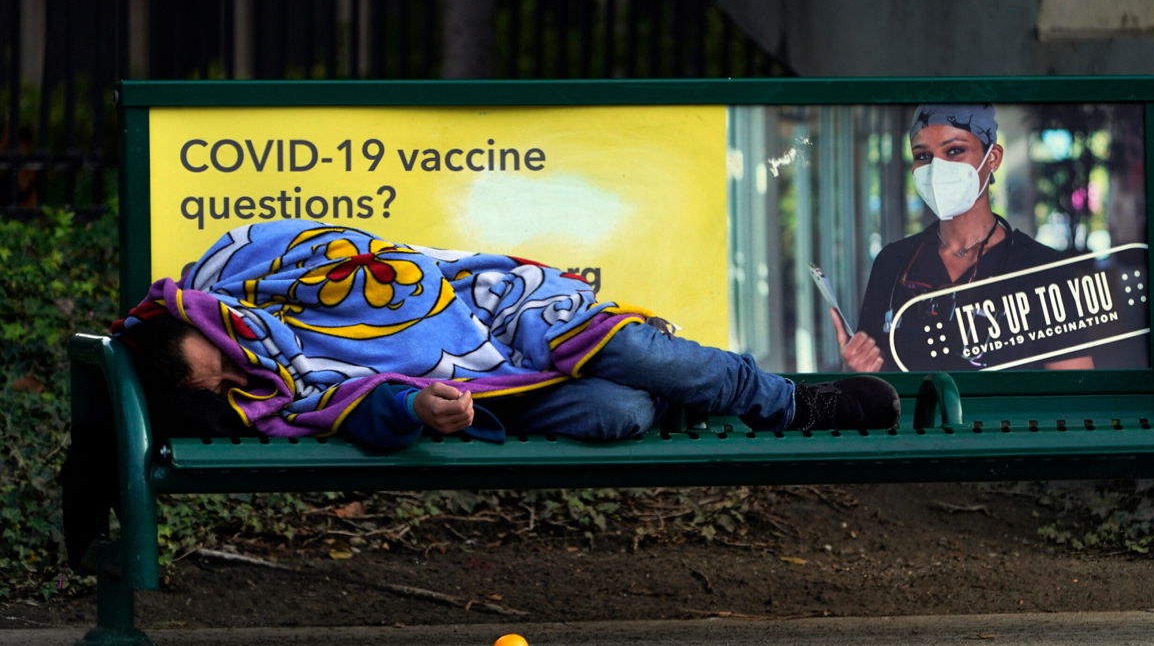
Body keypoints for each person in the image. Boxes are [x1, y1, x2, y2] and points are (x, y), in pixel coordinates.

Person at [115, 219, 900, 450]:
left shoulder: (240, 272)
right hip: (492, 392)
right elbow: (345, 400)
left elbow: (362, 260)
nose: (225, 374)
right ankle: (679, 391)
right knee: (618, 414)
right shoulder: (269, 388)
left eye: (202, 367)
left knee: (622, 348)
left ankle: (791, 405)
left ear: (184, 325)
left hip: (492, 310)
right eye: (215, 389)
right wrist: (418, 413)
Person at [834, 103, 1095, 373]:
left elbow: (1075, 393)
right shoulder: (893, 262)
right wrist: (856, 369)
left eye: (955, 150)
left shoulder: (1043, 269)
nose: (937, 169)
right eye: (922, 155)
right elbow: (872, 386)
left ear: (992, 158)